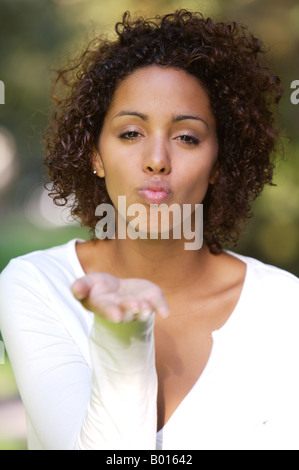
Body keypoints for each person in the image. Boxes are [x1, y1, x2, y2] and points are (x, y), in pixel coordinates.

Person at [0, 9, 298, 451]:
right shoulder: (37, 286)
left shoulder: (284, 309)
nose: (157, 159)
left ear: (218, 164)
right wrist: (122, 333)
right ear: (95, 155)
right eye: (131, 132)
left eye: (187, 137)